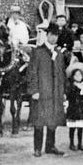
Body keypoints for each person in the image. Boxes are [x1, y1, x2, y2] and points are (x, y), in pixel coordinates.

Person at [27, 22, 67, 157]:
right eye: (52, 35)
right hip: (42, 91)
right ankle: (37, 148)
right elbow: (32, 72)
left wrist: (63, 92)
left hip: (55, 91)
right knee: (39, 119)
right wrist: (34, 90)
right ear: (47, 35)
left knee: (53, 119)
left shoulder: (59, 54)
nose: (54, 38)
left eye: (56, 36)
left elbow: (62, 73)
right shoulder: (37, 52)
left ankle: (50, 146)